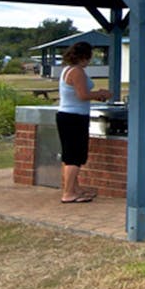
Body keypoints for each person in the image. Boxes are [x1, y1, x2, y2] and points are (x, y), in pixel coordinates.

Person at [56, 41, 111, 203]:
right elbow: (82, 95)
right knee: (75, 156)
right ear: (84, 57)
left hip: (68, 115)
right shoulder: (77, 71)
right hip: (74, 117)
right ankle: (68, 193)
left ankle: (74, 188)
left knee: (69, 155)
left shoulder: (67, 69)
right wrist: (101, 94)